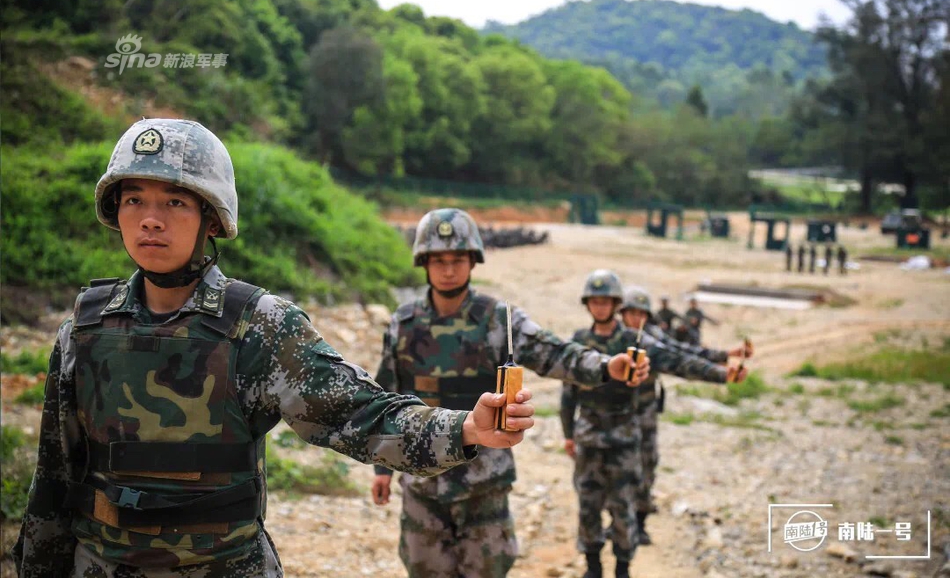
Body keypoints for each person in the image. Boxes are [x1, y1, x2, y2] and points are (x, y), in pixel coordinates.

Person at [12, 119, 540, 578]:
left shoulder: (258, 326)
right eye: (134, 200)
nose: (151, 219)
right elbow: (54, 478)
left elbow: (359, 414)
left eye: (174, 201)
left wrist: (466, 429)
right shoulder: (84, 329)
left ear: (212, 219)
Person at [371, 210, 649, 578]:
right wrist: (381, 468)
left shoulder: (498, 320)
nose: (448, 270)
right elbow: (388, 396)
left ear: (473, 261)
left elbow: (554, 352)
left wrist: (604, 366)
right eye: (439, 260)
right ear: (424, 262)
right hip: (423, 480)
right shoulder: (403, 324)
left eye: (457, 259)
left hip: (483, 482)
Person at [561, 273, 745, 578]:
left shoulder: (635, 340)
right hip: (588, 436)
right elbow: (568, 393)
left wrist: (721, 374)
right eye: (595, 301)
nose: (600, 306)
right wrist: (568, 434)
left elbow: (678, 360)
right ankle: (592, 566)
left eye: (606, 301)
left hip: (624, 437)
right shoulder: (579, 341)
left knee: (623, 506)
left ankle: (623, 566)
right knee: (588, 505)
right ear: (587, 304)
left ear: (615, 304)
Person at [616, 286, 751, 552]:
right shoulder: (612, 337)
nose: (636, 319)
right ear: (622, 314)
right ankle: (618, 523)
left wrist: (724, 361)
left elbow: (683, 356)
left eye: (641, 314)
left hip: (644, 415)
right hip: (613, 416)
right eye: (631, 313)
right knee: (614, 472)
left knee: (646, 465)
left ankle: (639, 522)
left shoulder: (652, 339)